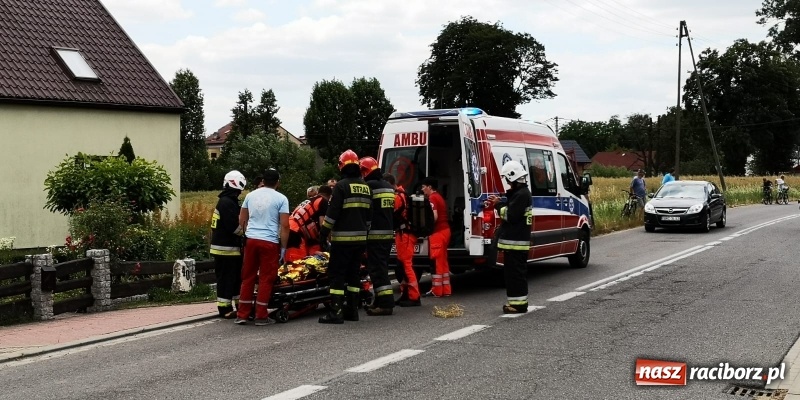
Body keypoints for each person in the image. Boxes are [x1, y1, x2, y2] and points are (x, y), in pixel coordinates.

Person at [318, 150, 372, 324]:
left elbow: (331, 215)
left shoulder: (341, 186)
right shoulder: (365, 187)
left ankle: (336, 311)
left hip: (342, 241)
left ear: (342, 166)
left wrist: (323, 233)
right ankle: (352, 311)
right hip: (360, 240)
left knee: (337, 275)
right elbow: (369, 217)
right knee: (353, 275)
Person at [234, 168, 290, 326]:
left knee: (248, 276)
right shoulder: (281, 199)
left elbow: (242, 219)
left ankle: (243, 314)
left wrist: (248, 234)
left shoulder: (250, 196)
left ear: (263, 181)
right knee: (266, 278)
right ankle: (261, 316)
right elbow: (285, 226)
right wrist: (284, 248)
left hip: (251, 240)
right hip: (269, 241)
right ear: (278, 182)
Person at [488, 160, 532, 314]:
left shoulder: (521, 195)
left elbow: (511, 215)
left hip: (516, 244)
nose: (507, 182)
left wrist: (498, 206)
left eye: (507, 179)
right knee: (514, 274)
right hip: (515, 244)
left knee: (515, 275)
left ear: (512, 177)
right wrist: (501, 201)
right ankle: (517, 302)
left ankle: (518, 305)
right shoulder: (520, 194)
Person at [359, 157, 395, 316]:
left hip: (375, 235)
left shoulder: (369, 187)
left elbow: (365, 211)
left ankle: (386, 304)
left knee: (377, 271)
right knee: (382, 268)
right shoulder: (388, 186)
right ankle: (379, 301)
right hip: (387, 235)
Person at [210, 170, 246, 319]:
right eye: (239, 190)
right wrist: (246, 234)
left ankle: (238, 305)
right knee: (226, 280)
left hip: (229, 249)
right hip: (226, 250)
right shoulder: (226, 203)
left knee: (235, 278)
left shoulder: (228, 201)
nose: (239, 193)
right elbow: (235, 227)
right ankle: (224, 309)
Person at [384, 173, 421, 307]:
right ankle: (405, 293)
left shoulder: (398, 196)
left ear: (389, 184)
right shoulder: (401, 194)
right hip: (402, 233)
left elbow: (391, 213)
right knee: (402, 265)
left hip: (405, 234)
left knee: (406, 265)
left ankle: (414, 296)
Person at [285, 185, 332, 263]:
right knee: (297, 263)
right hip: (297, 231)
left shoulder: (311, 200)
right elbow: (323, 224)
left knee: (299, 259)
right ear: (330, 196)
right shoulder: (323, 201)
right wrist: (329, 240)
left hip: (291, 228)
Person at [421, 178, 451, 297]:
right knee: (443, 261)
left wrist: (426, 227)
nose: (422, 189)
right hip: (445, 231)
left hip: (438, 232)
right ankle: (446, 290)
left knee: (436, 262)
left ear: (429, 187)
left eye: (424, 187)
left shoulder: (432, 198)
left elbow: (434, 216)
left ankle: (437, 290)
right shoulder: (439, 197)